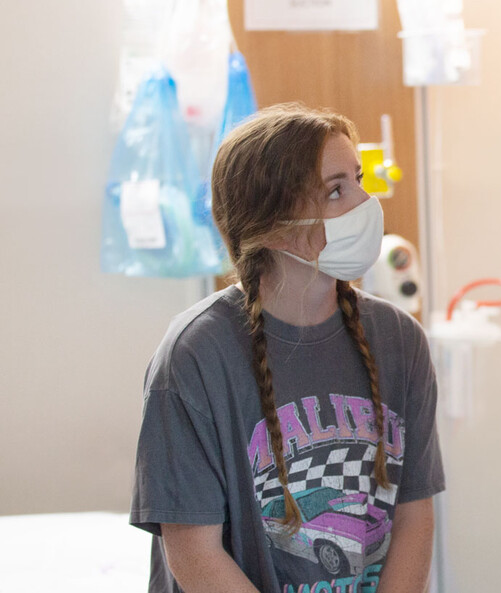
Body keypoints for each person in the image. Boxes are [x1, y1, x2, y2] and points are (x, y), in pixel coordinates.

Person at [130, 104, 444, 592]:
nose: (366, 202)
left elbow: (413, 515)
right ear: (274, 226)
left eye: (358, 179)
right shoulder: (195, 356)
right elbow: (194, 553)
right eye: (336, 190)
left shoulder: (399, 340)